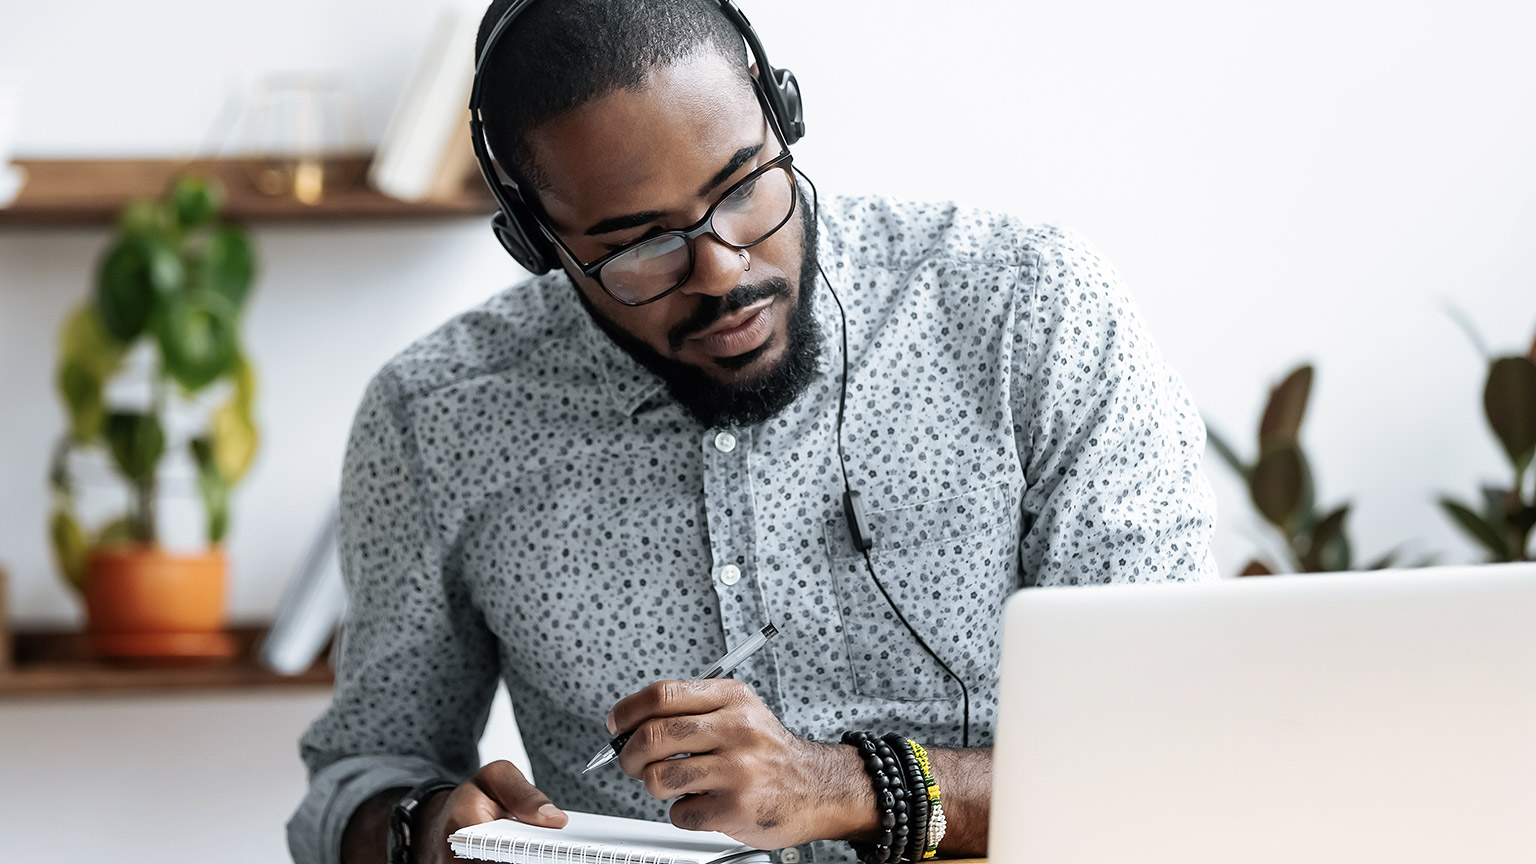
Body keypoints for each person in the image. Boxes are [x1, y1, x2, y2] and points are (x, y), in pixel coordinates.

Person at [287, 1, 1218, 863]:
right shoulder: (437, 416)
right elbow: (354, 786)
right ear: (538, 242)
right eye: (639, 244)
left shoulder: (1030, 311)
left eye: (743, 187)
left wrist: (850, 786)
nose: (723, 271)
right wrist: (424, 831)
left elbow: (1174, 747)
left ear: (784, 116)